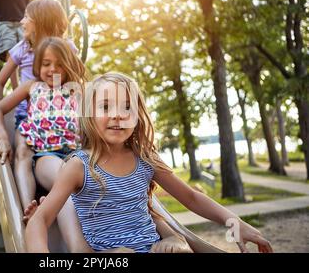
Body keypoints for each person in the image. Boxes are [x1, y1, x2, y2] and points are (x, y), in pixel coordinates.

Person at [26, 72, 274, 253]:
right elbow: (40, 220)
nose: (117, 114)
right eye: (105, 106)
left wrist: (235, 223)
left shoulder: (145, 159)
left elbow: (191, 198)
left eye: (127, 108)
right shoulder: (79, 166)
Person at [0, 0, 75, 212]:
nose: (21, 21)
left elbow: (78, 81)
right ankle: (29, 206)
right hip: (28, 117)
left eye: (27, 16)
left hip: (60, 118)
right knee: (23, 152)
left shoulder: (67, 47)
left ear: (41, 21)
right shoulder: (22, 49)